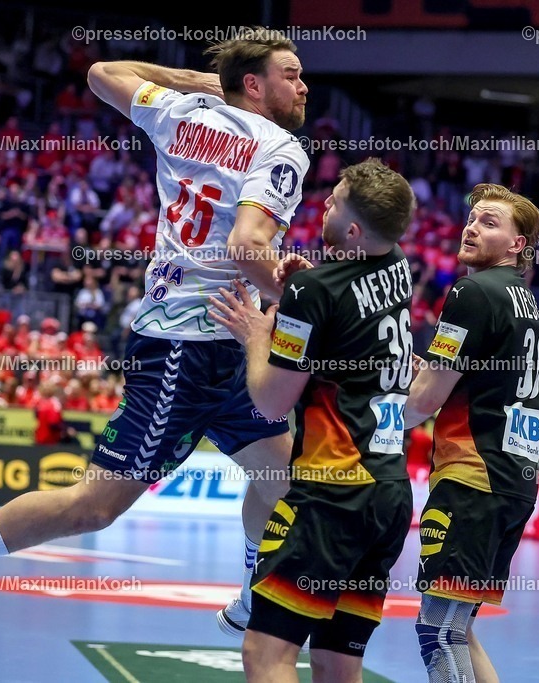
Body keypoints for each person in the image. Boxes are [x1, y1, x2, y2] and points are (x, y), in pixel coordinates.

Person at [0, 29, 310, 660]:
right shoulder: (280, 148)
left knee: (283, 477)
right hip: (188, 349)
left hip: (220, 339)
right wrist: (286, 287)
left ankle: (248, 594)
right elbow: (247, 248)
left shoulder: (180, 112)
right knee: (94, 507)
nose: (303, 85)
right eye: (291, 74)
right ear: (255, 84)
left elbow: (102, 71)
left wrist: (189, 81)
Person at [209, 159, 416, 683]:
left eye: (334, 200)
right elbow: (347, 305)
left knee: (266, 655)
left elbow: (271, 404)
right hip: (389, 494)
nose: (321, 204)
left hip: (331, 495)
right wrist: (306, 294)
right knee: (337, 661)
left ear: (351, 230)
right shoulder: (397, 264)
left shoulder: (312, 292)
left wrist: (259, 335)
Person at [403, 183, 539, 683]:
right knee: (460, 627)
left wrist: (373, 426)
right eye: (472, 218)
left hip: (472, 478)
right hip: (513, 483)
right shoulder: (528, 306)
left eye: (490, 222)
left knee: (439, 631)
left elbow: (425, 401)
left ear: (517, 245)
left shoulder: (472, 291)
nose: (472, 226)